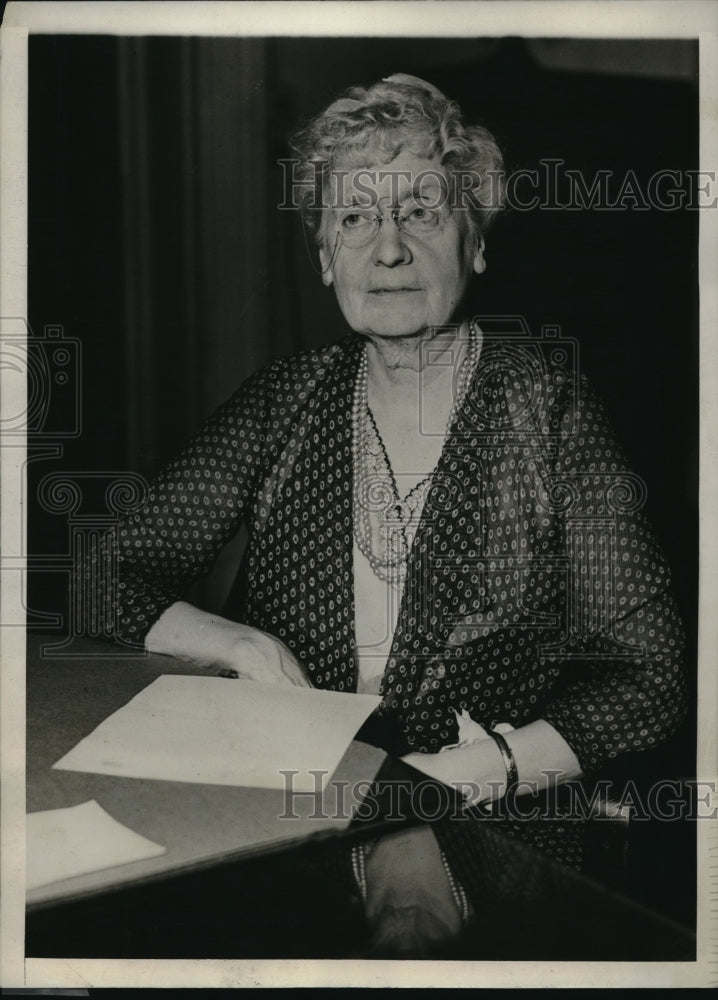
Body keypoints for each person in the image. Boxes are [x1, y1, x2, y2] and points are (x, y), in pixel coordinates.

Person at [80, 74, 687, 955]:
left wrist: (485, 768)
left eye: (422, 214)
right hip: (290, 823)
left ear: (476, 241)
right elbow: (104, 575)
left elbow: (650, 677)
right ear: (326, 257)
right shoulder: (286, 400)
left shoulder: (546, 407)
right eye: (356, 218)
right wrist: (240, 644)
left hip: (492, 827)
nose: (389, 249)